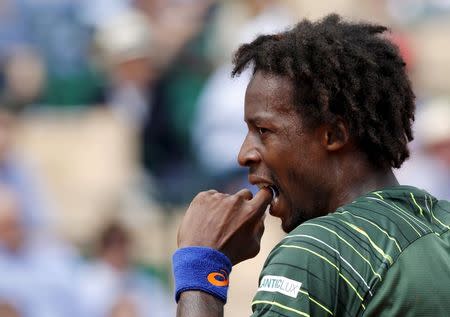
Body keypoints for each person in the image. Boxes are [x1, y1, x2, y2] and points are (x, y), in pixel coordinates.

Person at [172, 14, 450, 317]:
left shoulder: (317, 250)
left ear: (333, 135)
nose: (244, 155)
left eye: (263, 131)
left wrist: (201, 266)